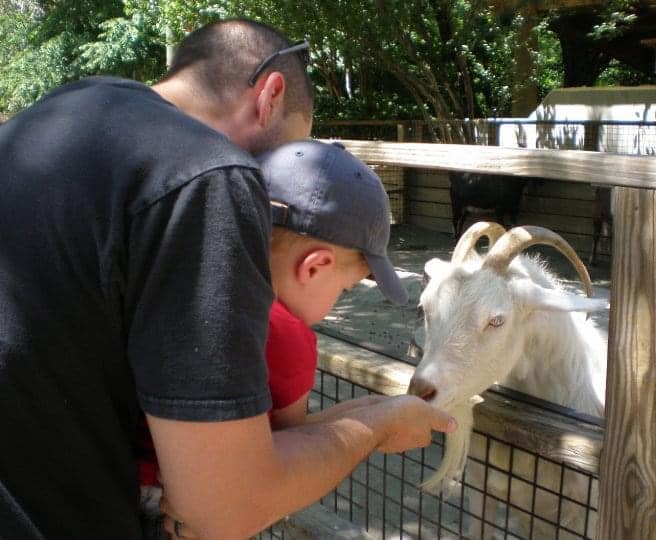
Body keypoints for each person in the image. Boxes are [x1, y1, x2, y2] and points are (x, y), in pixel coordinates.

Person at [0, 16, 456, 540]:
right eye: (287, 147)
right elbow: (225, 508)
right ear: (269, 95)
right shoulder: (209, 175)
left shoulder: (48, 120)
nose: (276, 177)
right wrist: (377, 428)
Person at [136, 139, 406, 536]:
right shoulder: (286, 336)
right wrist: (379, 423)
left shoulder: (184, 284)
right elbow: (287, 447)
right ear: (314, 268)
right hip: (175, 514)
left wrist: (365, 408)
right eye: (344, 290)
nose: (337, 302)